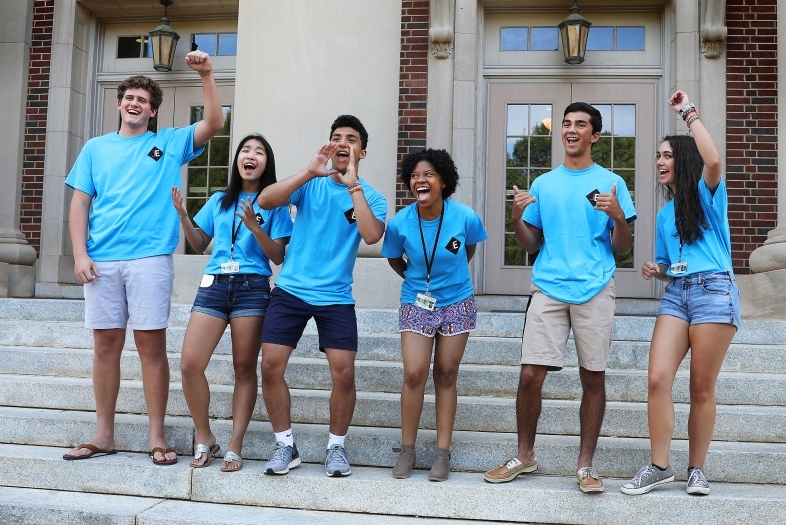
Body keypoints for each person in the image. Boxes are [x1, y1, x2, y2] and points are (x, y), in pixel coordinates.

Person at [62, 51, 225, 465]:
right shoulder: (95, 149)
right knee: (105, 347)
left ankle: (158, 436)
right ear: (119, 103)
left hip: (150, 258)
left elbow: (214, 123)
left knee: (151, 346)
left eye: (144, 100)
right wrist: (79, 254)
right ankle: (104, 434)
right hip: (101, 260)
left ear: (153, 111)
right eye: (129, 97)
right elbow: (79, 205)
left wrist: (206, 74)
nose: (135, 103)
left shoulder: (168, 144)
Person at [483, 102, 636, 493]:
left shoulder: (612, 183)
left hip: (595, 286)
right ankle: (524, 455)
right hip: (549, 285)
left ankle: (585, 466)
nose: (571, 130)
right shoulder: (543, 185)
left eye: (581, 125)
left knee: (593, 377)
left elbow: (622, 248)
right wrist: (516, 217)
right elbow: (531, 243)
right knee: (530, 374)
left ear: (594, 136)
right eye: (566, 124)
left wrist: (618, 216)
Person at [621, 91, 740, 497]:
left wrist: (688, 113)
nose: (659, 162)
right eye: (658, 156)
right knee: (657, 379)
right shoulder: (661, 214)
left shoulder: (708, 196)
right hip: (677, 294)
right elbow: (669, 265)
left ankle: (697, 469)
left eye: (667, 156)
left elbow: (714, 161)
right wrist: (658, 270)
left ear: (683, 160)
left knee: (701, 388)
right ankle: (659, 465)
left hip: (713, 291)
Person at [256, 115, 387, 477]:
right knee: (269, 366)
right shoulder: (310, 185)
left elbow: (372, 236)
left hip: (336, 296)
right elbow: (266, 200)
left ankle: (336, 448)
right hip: (291, 289)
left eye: (351, 138)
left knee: (344, 374)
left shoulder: (371, 196)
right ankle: (285, 445)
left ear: (362, 150)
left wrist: (354, 187)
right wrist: (309, 171)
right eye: (336, 137)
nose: (343, 143)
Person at [172, 134, 292, 472]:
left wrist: (255, 227)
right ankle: (205, 436)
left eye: (259, 152)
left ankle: (235, 444)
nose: (250, 156)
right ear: (237, 159)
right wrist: (183, 216)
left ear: (266, 163)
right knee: (190, 364)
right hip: (213, 285)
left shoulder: (274, 205)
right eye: (245, 150)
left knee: (244, 367)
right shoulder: (219, 200)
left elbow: (278, 255)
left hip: (252, 287)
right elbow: (199, 244)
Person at [382, 149, 487, 482]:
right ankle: (407, 451)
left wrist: (448, 280)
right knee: (414, 374)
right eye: (414, 175)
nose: (420, 180)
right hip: (416, 302)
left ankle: (442, 454)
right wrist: (417, 281)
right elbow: (394, 258)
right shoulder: (399, 223)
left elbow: (467, 251)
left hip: (457, 301)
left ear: (443, 180)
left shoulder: (465, 217)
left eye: (428, 174)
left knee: (445, 375)